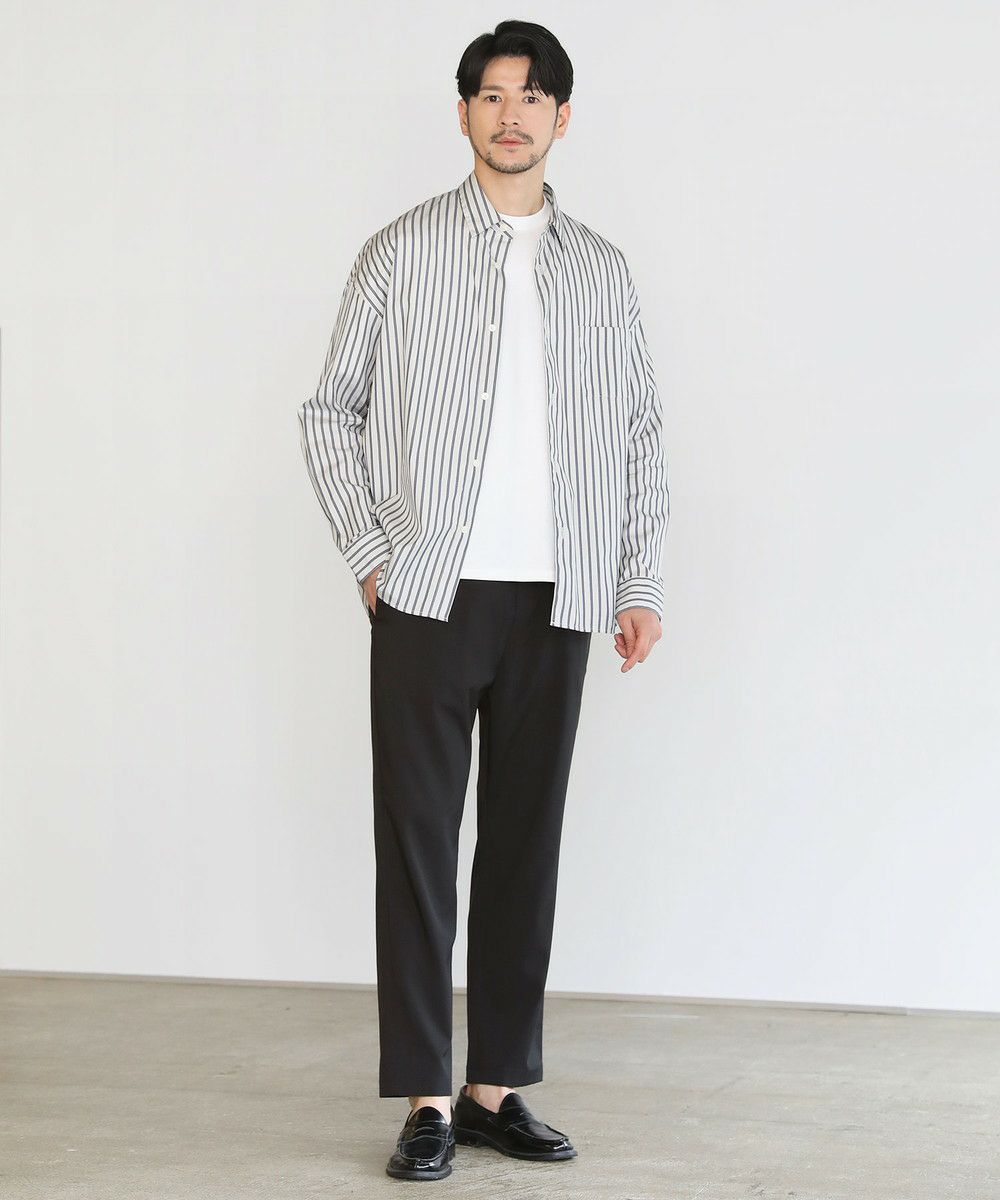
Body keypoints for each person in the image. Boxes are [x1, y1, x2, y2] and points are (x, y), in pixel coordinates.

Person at [297, 18, 669, 1182]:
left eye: (532, 97)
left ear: (563, 117)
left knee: (522, 847)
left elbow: (638, 432)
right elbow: (329, 410)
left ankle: (494, 1088)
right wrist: (373, 552)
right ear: (462, 113)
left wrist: (637, 578)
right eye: (492, 95)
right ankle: (424, 1097)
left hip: (558, 594)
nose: (512, 115)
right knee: (416, 845)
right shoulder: (400, 251)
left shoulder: (600, 270)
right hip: (427, 592)